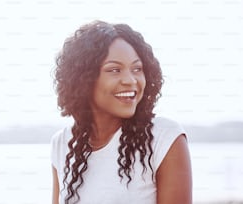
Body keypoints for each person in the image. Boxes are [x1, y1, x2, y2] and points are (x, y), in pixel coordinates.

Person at [51, 20, 192, 204]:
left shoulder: (164, 138)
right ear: (84, 79)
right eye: (114, 70)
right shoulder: (62, 143)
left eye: (137, 69)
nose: (130, 80)